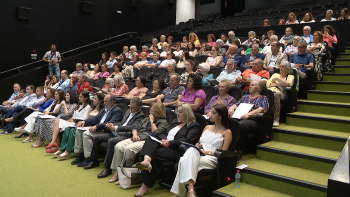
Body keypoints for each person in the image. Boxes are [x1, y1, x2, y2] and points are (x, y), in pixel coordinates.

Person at [134, 103, 201, 196]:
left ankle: (145, 185)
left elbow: (187, 140)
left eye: (181, 112)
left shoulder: (194, 126)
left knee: (155, 154)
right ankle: (147, 160)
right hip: (165, 145)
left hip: (179, 150)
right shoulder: (175, 122)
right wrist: (164, 140)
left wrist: (170, 143)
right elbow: (163, 132)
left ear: (187, 113)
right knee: (151, 139)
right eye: (177, 111)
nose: (178, 114)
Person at [170, 104, 232, 197]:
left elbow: (223, 153)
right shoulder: (207, 127)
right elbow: (199, 142)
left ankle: (180, 193)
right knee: (191, 151)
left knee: (183, 160)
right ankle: (191, 189)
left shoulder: (227, 132)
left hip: (212, 158)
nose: (210, 114)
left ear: (221, 115)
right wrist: (197, 146)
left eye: (214, 113)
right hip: (198, 154)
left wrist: (207, 152)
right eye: (210, 112)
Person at [109, 102, 168, 183]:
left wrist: (152, 122)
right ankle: (117, 172)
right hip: (137, 138)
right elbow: (135, 128)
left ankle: (125, 174)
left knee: (128, 149)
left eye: (152, 111)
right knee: (118, 146)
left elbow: (156, 134)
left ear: (158, 113)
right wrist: (135, 135)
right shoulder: (146, 119)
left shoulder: (163, 122)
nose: (149, 112)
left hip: (146, 141)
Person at [88, 97, 145, 175]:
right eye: (130, 107)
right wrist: (112, 125)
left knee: (111, 141)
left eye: (133, 108)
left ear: (139, 108)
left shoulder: (141, 116)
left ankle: (108, 168)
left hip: (126, 135)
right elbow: (122, 123)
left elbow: (131, 127)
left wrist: (116, 128)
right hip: (118, 132)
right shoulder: (128, 111)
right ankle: (93, 161)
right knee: (97, 138)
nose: (130, 109)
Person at [72, 93, 123, 166]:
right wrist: (85, 121)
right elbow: (96, 118)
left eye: (106, 101)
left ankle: (89, 158)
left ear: (112, 102)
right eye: (104, 101)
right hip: (99, 129)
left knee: (86, 134)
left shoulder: (117, 111)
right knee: (79, 130)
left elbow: (110, 123)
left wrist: (96, 126)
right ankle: (80, 154)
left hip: (106, 132)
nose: (104, 103)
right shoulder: (105, 109)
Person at [54, 93, 103, 160]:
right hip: (84, 124)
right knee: (67, 128)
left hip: (91, 126)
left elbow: (94, 120)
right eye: (93, 98)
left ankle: (67, 152)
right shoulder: (92, 109)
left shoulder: (101, 111)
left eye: (95, 99)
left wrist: (76, 121)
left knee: (73, 130)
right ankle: (62, 149)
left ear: (100, 100)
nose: (93, 100)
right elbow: (87, 119)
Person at [228, 80, 269, 157]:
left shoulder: (263, 98)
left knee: (241, 125)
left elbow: (262, 109)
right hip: (239, 117)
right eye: (250, 85)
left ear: (259, 88)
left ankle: (238, 151)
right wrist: (231, 108)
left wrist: (249, 114)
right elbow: (235, 105)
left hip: (254, 120)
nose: (250, 86)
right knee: (226, 121)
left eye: (253, 85)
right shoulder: (245, 97)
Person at [47, 91, 92, 156]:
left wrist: (74, 120)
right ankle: (60, 149)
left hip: (78, 123)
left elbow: (84, 118)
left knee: (60, 123)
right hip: (73, 122)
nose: (79, 98)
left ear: (86, 98)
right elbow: (74, 116)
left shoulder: (88, 107)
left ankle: (58, 145)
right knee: (61, 124)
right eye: (79, 96)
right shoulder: (79, 106)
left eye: (81, 97)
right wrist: (71, 119)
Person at [266, 62, 294, 127]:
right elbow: (268, 84)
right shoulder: (275, 74)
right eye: (280, 66)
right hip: (270, 92)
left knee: (276, 94)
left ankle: (276, 119)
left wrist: (277, 80)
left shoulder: (290, 76)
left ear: (288, 68)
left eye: (283, 67)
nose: (281, 68)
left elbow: (288, 84)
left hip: (282, 93)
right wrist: (281, 83)